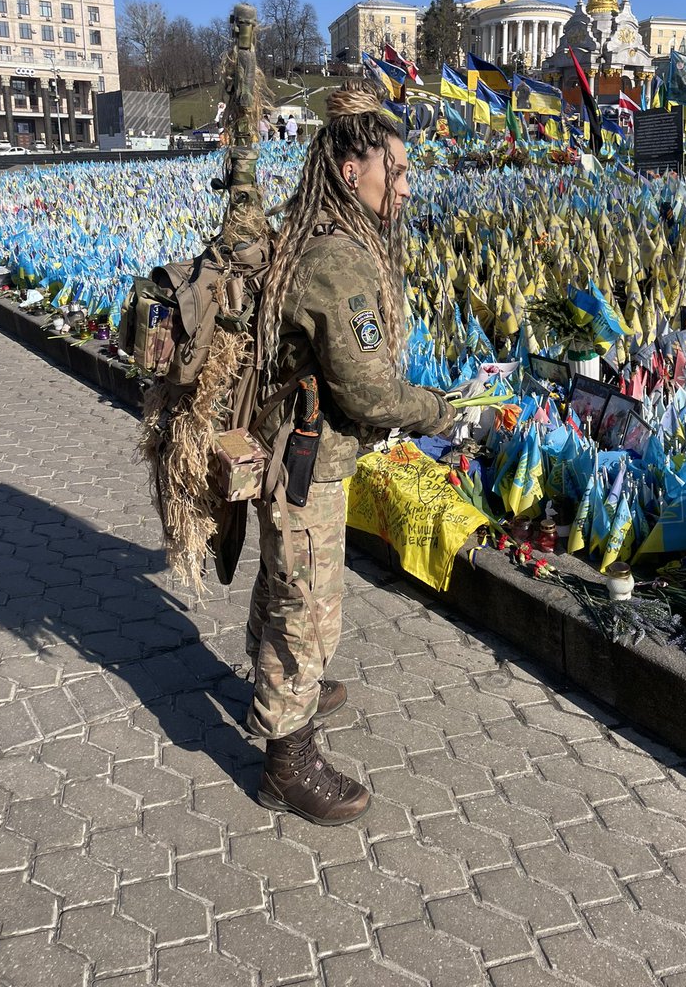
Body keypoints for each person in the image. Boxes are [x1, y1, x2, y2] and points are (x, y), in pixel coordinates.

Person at [247, 81, 456, 825]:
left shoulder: (329, 237)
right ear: (349, 174)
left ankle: (281, 684)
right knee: (308, 605)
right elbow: (367, 392)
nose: (406, 185)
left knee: (287, 581)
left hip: (296, 453)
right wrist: (441, 410)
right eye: (395, 171)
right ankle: (287, 756)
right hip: (307, 462)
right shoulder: (338, 259)